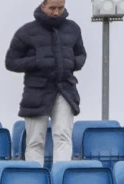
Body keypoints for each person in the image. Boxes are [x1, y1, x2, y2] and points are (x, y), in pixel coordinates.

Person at [7, 0, 87, 165]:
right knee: (35, 140)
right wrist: (37, 61)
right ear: (42, 6)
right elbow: (11, 62)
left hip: (65, 89)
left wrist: (71, 62)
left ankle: (60, 179)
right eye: (52, 8)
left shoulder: (73, 29)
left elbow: (81, 55)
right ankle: (36, 182)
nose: (56, 12)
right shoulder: (26, 32)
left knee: (63, 136)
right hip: (37, 92)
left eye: (60, 8)